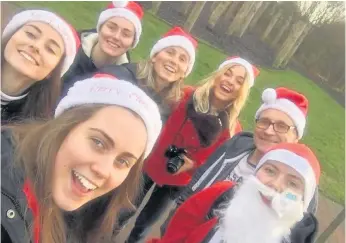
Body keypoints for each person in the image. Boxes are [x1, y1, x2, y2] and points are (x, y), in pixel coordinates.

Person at [1, 74, 162, 243]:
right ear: (64, 126)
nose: (104, 171)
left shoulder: (92, 218)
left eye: (122, 161)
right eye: (98, 142)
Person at [125, 57, 260, 242]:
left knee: (144, 225)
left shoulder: (231, 130)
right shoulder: (186, 96)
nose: (230, 81)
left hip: (177, 182)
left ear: (242, 91)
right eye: (227, 74)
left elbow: (215, 166)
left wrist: (194, 166)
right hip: (151, 164)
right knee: (122, 210)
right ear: (218, 75)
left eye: (239, 80)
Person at [150, 143, 320, 243]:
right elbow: (175, 235)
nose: (275, 185)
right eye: (270, 171)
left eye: (292, 183)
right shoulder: (221, 194)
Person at [62, 25, 198, 124]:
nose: (174, 61)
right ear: (154, 56)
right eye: (170, 52)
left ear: (185, 72)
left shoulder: (169, 105)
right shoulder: (120, 78)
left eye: (182, 59)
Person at [1, 10, 80, 123]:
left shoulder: (35, 128)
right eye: (30, 34)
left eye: (50, 49)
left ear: (52, 72)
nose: (36, 46)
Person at [62, 1, 143, 88]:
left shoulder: (124, 82)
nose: (116, 37)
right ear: (100, 27)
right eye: (111, 27)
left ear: (132, 43)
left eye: (126, 34)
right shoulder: (66, 50)